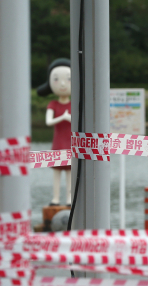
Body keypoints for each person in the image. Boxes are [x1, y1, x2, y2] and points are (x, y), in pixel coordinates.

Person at [37, 58, 72, 206]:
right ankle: (56, 198)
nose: (63, 84)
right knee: (56, 173)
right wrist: (63, 117)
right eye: (57, 79)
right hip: (58, 143)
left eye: (68, 79)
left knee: (70, 173)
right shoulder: (53, 104)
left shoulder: (74, 104)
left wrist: (69, 118)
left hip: (71, 144)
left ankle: (70, 199)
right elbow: (48, 122)